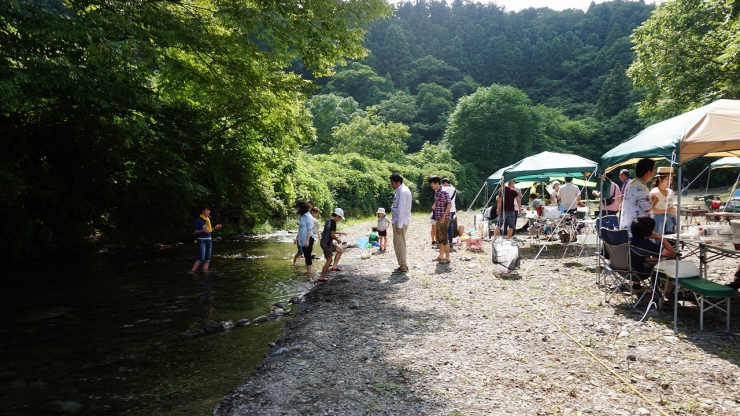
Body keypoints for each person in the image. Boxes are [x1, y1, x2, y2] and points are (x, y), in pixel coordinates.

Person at [630, 217, 676, 295]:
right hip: (640, 272)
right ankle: (668, 289)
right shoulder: (646, 244)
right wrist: (659, 236)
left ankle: (637, 286)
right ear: (649, 232)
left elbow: (633, 256)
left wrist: (647, 260)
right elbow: (672, 253)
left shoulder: (626, 238)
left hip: (621, 269)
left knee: (655, 259)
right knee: (671, 260)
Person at [620, 158, 656, 231]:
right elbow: (647, 209)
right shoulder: (641, 187)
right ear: (648, 172)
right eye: (653, 170)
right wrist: (655, 200)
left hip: (627, 226)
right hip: (637, 229)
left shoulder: (630, 183)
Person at [390, 172, 412, 273]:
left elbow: (401, 209)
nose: (392, 185)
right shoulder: (400, 190)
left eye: (393, 183)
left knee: (400, 243)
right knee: (397, 242)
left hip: (400, 221)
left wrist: (399, 226)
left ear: (398, 182)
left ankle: (403, 265)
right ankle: (402, 264)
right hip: (399, 220)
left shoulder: (402, 191)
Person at [191, 205, 223, 273]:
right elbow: (194, 232)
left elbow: (209, 230)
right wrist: (202, 230)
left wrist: (215, 228)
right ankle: (192, 272)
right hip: (202, 240)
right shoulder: (198, 220)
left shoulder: (208, 219)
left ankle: (205, 272)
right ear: (203, 211)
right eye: (207, 210)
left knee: (207, 259)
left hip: (209, 240)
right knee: (201, 259)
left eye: (209, 210)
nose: (209, 211)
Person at [318, 208, 346, 282]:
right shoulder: (333, 222)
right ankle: (321, 278)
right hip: (327, 244)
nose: (339, 220)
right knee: (329, 261)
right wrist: (338, 240)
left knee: (340, 250)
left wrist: (341, 233)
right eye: (339, 218)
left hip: (325, 242)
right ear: (338, 216)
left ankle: (334, 267)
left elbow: (330, 231)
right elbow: (332, 234)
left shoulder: (328, 220)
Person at [429, 175, 452, 264]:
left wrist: (443, 217)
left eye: (432, 184)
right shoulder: (437, 192)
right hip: (438, 218)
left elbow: (449, 204)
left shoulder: (443, 191)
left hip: (444, 218)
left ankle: (448, 257)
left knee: (443, 238)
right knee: (439, 238)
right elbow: (439, 202)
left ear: (437, 183)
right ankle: (441, 255)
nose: (431, 185)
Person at [650, 167, 677, 234]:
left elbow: (671, 206)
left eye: (671, 179)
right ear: (659, 178)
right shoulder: (654, 192)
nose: (670, 182)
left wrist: (673, 213)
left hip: (669, 222)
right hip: (658, 223)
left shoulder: (670, 192)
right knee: (659, 242)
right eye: (667, 179)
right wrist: (666, 210)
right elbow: (651, 211)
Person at [295, 201, 315, 276]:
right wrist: (296, 238)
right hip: (303, 238)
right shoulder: (302, 216)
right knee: (306, 255)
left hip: (308, 238)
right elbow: (300, 229)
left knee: (308, 254)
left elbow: (310, 229)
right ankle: (308, 270)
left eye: (298, 208)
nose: (297, 209)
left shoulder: (308, 216)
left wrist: (307, 241)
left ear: (301, 208)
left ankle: (309, 272)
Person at [441, 178, 458, 246]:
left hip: (445, 210)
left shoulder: (443, 189)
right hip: (452, 209)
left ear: (444, 183)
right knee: (450, 226)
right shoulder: (453, 189)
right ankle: (450, 241)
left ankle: (443, 241)